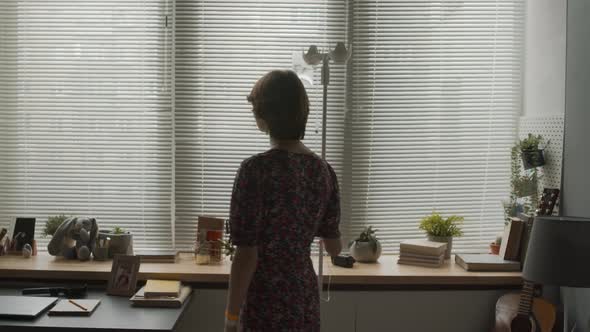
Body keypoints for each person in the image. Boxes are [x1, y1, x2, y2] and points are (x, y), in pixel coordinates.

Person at [224, 70, 342, 332]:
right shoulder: (323, 171)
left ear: (266, 115)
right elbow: (334, 247)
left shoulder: (255, 170)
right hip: (303, 298)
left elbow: (246, 254)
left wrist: (231, 317)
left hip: (265, 299)